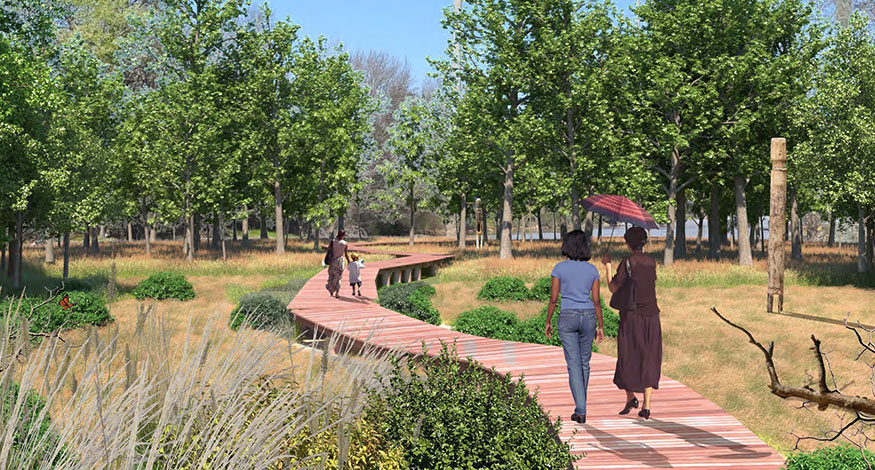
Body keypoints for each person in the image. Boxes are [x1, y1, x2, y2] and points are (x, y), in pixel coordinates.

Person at [601, 226, 661, 420]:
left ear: (628, 243)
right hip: (652, 316)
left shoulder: (627, 262)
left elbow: (613, 288)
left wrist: (608, 266)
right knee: (649, 356)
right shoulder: (652, 262)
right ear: (644, 242)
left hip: (632, 316)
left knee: (628, 355)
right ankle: (647, 405)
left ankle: (630, 397)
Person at [545, 230, 605, 424]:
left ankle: (581, 409)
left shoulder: (559, 268)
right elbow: (597, 301)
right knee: (584, 363)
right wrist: (601, 325)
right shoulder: (592, 270)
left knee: (573, 364)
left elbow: (554, 299)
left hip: (568, 316)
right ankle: (582, 404)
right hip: (588, 316)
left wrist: (548, 321)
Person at [325, 230, 350, 298]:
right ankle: (337, 293)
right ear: (343, 235)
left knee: (332, 275)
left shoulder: (332, 242)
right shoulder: (345, 243)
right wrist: (349, 261)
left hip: (333, 261)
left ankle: (331, 290)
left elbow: (328, 251)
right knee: (338, 277)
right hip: (340, 261)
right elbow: (346, 254)